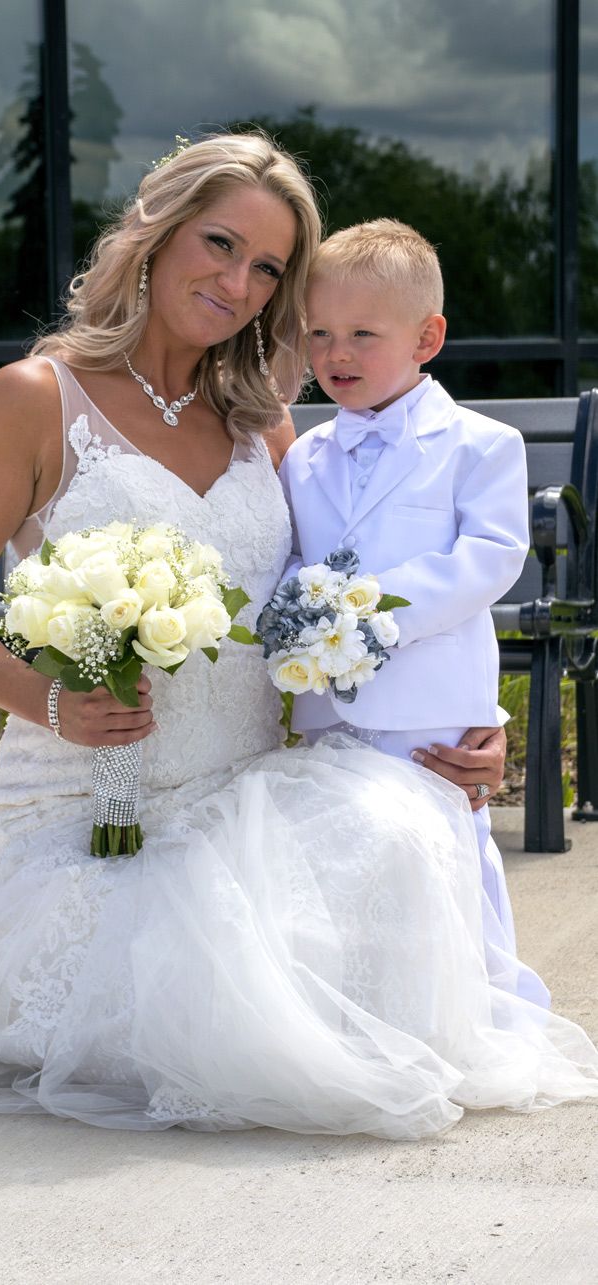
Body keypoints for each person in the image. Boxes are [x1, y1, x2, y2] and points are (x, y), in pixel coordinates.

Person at [0, 135, 596, 1139]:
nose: (238, 282)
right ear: (154, 233)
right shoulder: (32, 398)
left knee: (395, 865)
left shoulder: (266, 425)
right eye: (219, 243)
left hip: (248, 797)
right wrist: (51, 700)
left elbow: (343, 607)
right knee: (177, 1013)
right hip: (91, 797)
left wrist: (468, 718)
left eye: (268, 267)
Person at [279, 218, 548, 1007]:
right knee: (342, 859)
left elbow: (489, 557)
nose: (337, 354)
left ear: (427, 337)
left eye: (364, 333)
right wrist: (304, 617)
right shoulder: (304, 453)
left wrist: (370, 614)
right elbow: (294, 558)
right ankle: (354, 1004)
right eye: (320, 332)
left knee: (437, 853)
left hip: (430, 706)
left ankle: (459, 1005)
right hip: (330, 708)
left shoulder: (481, 444)